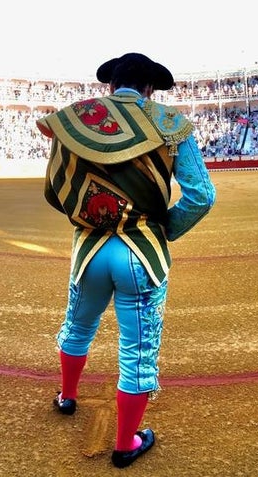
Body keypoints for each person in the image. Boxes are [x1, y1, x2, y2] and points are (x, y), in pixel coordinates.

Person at [36, 52, 216, 469]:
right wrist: (162, 228)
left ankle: (67, 397)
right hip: (141, 252)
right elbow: (202, 196)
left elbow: (54, 191)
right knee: (137, 351)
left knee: (79, 326)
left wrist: (90, 217)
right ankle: (125, 443)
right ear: (150, 89)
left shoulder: (77, 119)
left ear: (110, 86)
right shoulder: (170, 124)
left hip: (90, 250)